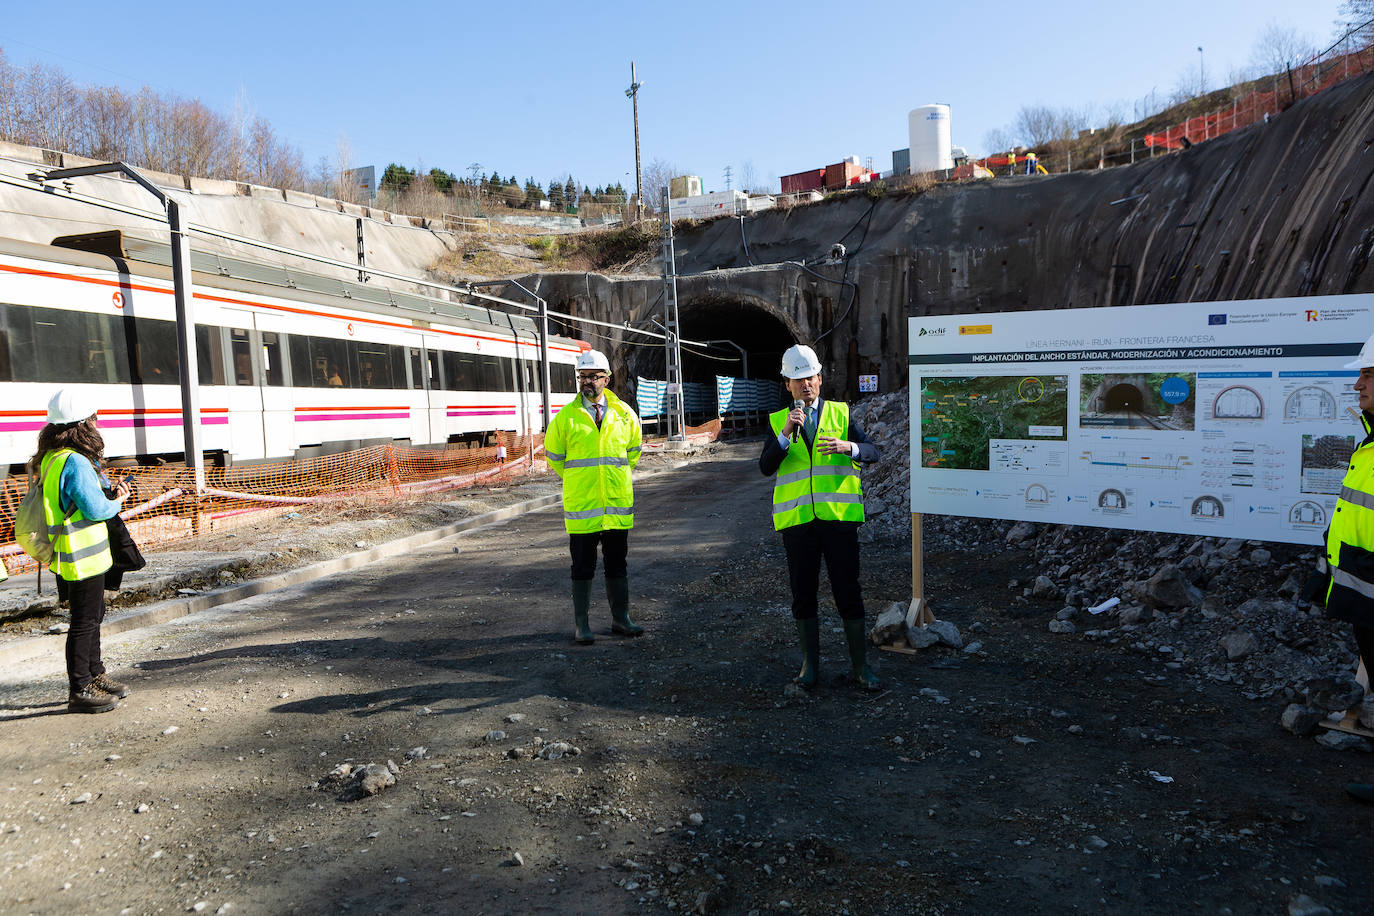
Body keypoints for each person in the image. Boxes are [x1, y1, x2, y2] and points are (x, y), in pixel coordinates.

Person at [759, 343, 881, 690]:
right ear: (788, 385)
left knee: (848, 592)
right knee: (803, 594)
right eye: (798, 381)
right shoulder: (778, 421)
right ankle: (809, 668)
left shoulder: (841, 415)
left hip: (838, 521)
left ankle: (861, 668)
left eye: (810, 378)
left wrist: (850, 448)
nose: (806, 385)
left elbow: (873, 451)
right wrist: (784, 435)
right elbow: (765, 467)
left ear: (820, 378)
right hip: (798, 525)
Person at [31, 389, 132, 714]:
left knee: (91, 616)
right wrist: (118, 500)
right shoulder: (74, 461)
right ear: (84, 423)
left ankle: (95, 674)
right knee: (85, 620)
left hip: (70, 552)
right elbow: (95, 508)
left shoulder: (52, 457)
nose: (97, 422)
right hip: (83, 555)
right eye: (94, 417)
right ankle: (80, 688)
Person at [544, 349, 643, 644]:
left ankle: (621, 619)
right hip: (583, 506)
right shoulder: (565, 418)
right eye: (582, 377)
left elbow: (634, 452)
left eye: (592, 376)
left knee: (617, 563)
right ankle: (582, 625)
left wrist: (610, 477)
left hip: (615, 505)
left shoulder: (625, 414)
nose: (586, 382)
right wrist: (581, 480)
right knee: (582, 567)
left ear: (607, 379)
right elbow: (555, 457)